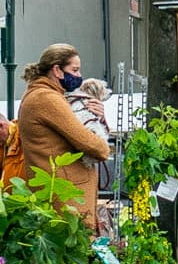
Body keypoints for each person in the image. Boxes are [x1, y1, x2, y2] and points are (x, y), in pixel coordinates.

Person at [12, 44, 111, 220]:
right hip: (66, 197)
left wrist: (100, 118)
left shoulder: (40, 94)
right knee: (75, 235)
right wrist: (103, 146)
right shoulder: (47, 98)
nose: (79, 76)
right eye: (75, 70)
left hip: (59, 192)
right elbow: (89, 142)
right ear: (57, 70)